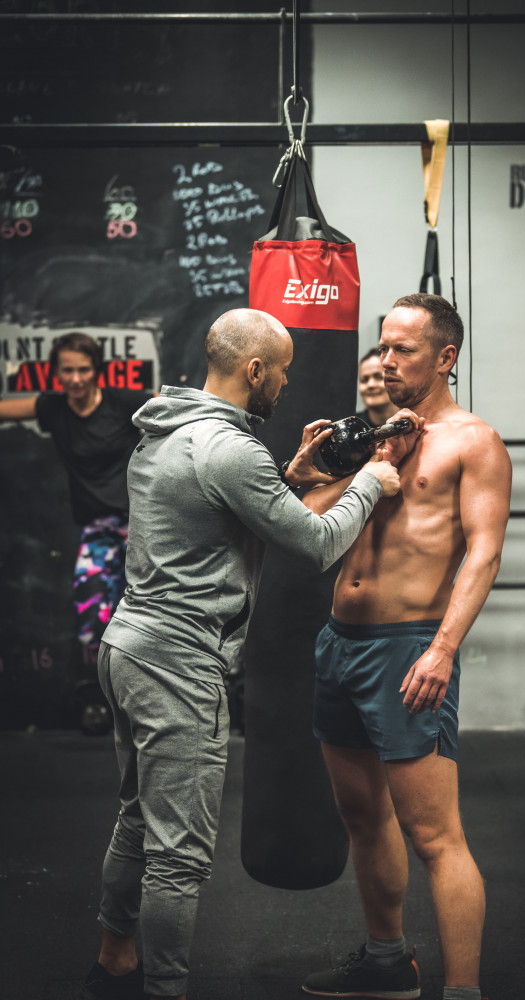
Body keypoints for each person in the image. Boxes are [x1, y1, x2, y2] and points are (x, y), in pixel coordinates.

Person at [80, 307, 402, 1000]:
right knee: (179, 857)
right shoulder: (230, 448)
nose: (286, 383)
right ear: (255, 370)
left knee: (137, 820)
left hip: (127, 646)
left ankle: (113, 962)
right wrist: (371, 483)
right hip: (177, 663)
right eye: (281, 371)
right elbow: (315, 545)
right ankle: (164, 991)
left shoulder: (168, 428)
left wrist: (291, 474)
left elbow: (219, 511)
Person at [300, 293, 512, 1000]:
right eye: (383, 346)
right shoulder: (370, 437)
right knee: (363, 819)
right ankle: (387, 961)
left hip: (408, 649)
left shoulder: (473, 442)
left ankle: (463, 990)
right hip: (340, 643)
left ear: (445, 357)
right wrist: (312, 468)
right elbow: (306, 521)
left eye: (402, 350)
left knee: (434, 837)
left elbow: (483, 554)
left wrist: (442, 649)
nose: (385, 361)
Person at [0, 332, 152, 665]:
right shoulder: (52, 408)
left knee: (148, 616)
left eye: (84, 369)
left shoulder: (122, 401)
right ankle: (108, 685)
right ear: (56, 372)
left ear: (96, 369)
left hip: (142, 525)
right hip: (98, 529)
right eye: (67, 370)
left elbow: (175, 409)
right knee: (92, 622)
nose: (76, 378)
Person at [356, 346, 398, 427]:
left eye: (378, 377)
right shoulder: (353, 427)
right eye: (364, 380)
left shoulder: (414, 423)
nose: (370, 385)